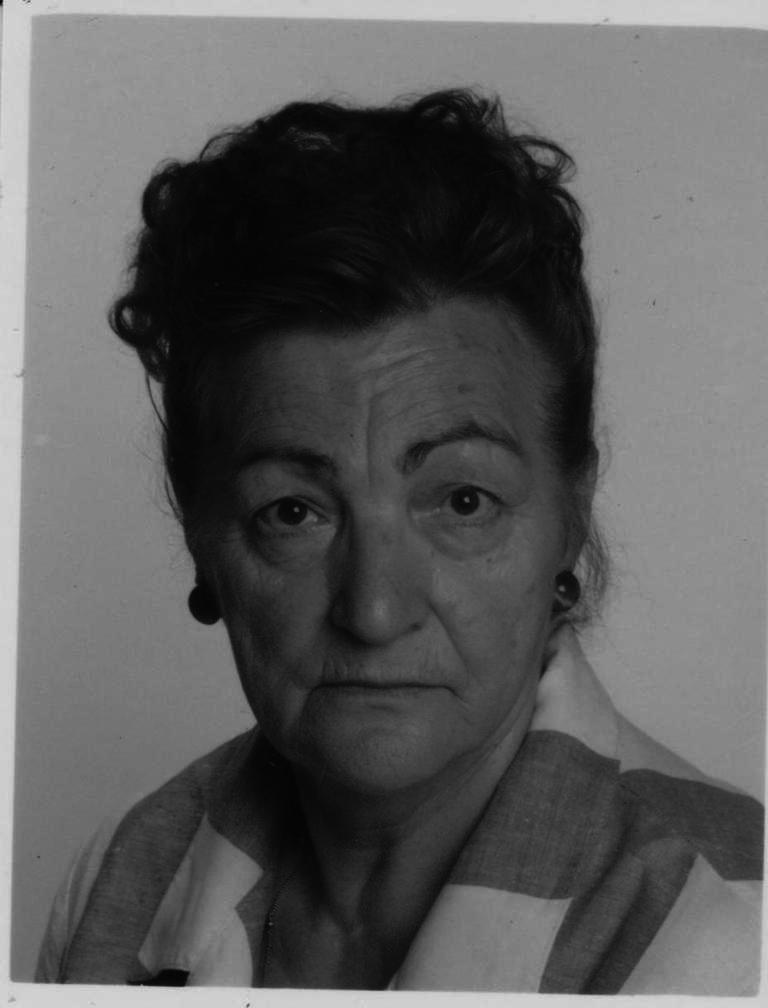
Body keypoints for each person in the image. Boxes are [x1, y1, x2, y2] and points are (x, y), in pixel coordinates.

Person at [35, 89, 762, 993]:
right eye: (293, 512)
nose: (374, 611)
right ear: (201, 529)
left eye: (461, 500)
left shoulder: (735, 931)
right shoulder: (121, 883)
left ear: (571, 513)